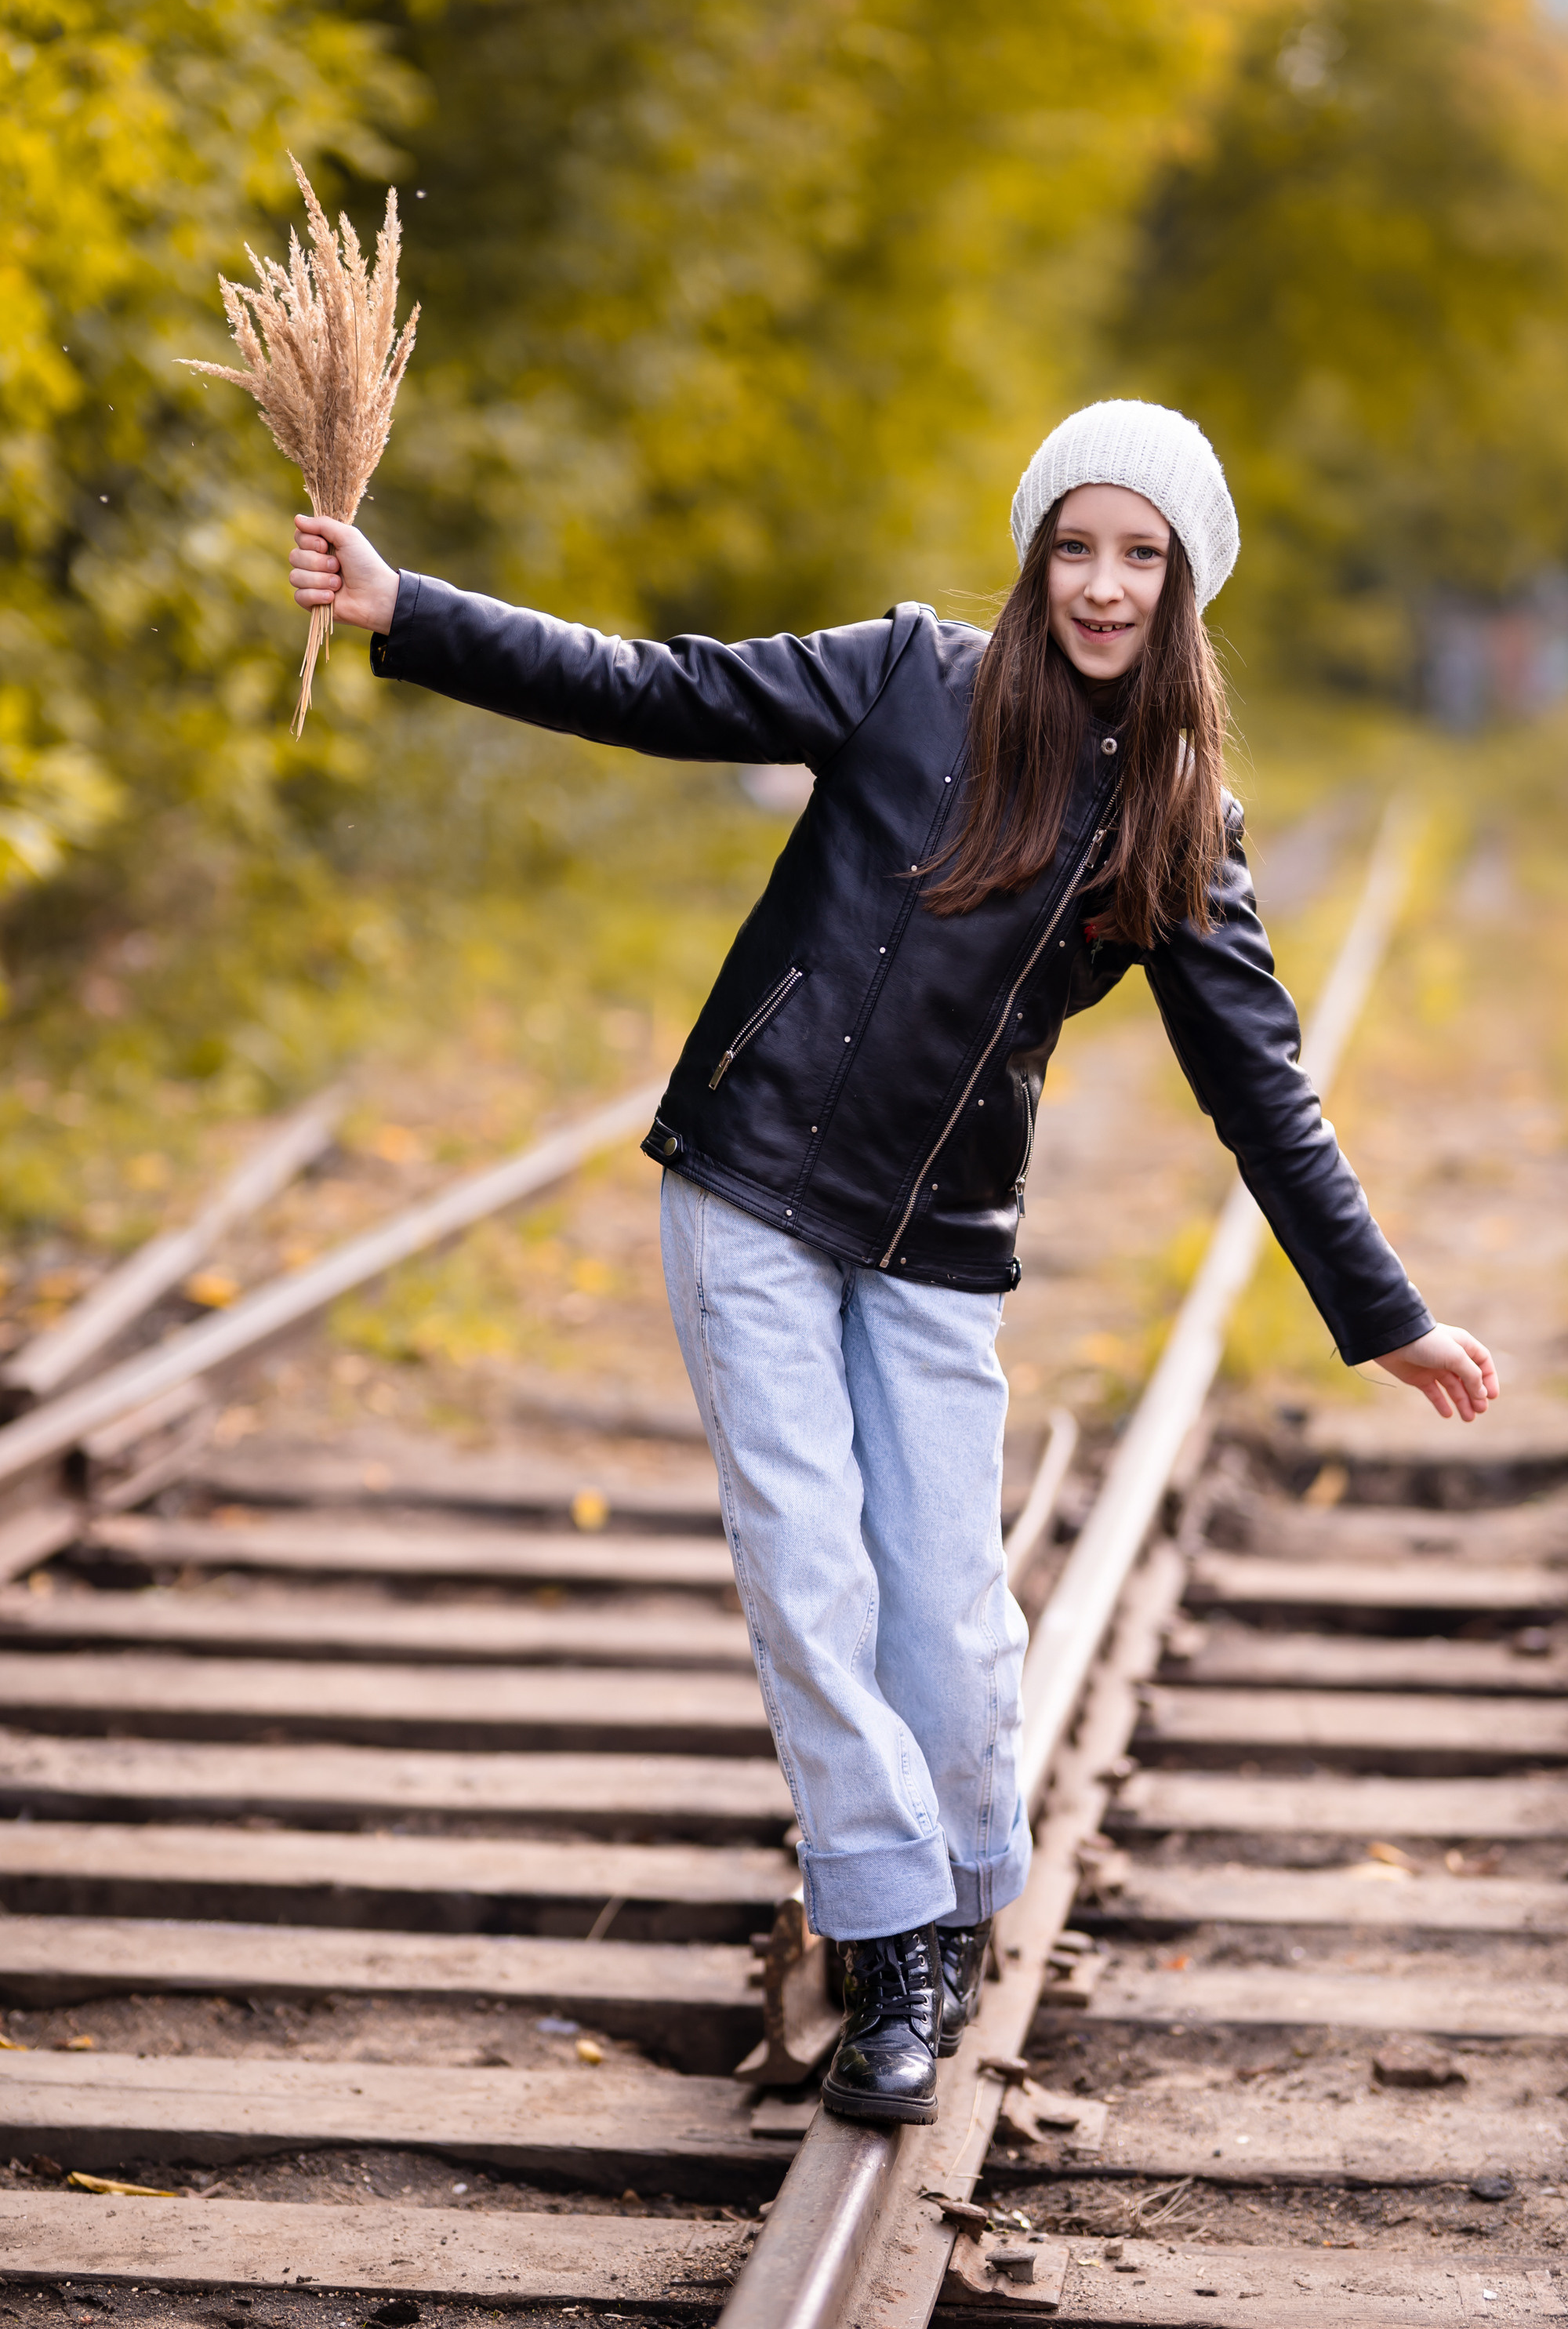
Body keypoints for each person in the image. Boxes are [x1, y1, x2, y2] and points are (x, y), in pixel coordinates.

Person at [287, 398, 1497, 2127]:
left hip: (938, 1241)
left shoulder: (1179, 818)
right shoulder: (905, 674)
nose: (1101, 585)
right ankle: (890, 1941)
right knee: (810, 1574)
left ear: (1185, 585)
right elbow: (655, 689)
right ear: (1036, 556)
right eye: (1074, 547)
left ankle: (962, 1880)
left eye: (1139, 556)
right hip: (750, 1180)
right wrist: (410, 608)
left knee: (946, 1605)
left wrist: (1385, 1315)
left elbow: (1262, 1093)